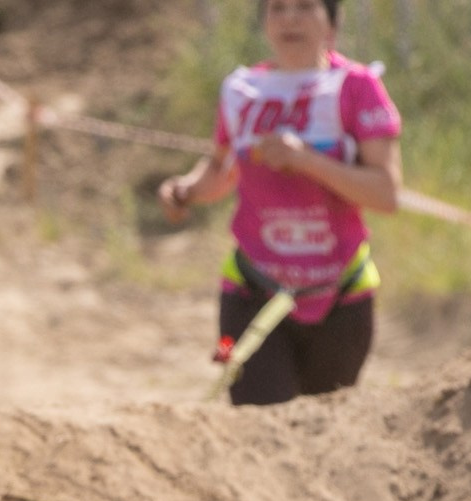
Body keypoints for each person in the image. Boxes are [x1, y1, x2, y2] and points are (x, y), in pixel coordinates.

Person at [157, 0, 403, 406]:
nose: (290, 18)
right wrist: (184, 191)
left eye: (305, 6)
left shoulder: (358, 87)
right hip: (250, 292)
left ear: (331, 21)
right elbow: (221, 168)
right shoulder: (241, 91)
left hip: (342, 297)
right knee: (256, 427)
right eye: (277, 7)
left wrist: (305, 160)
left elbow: (386, 194)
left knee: (320, 435)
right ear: (265, 22)